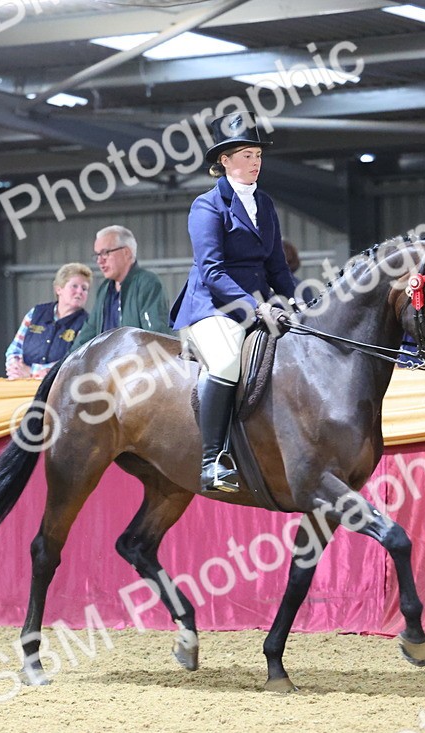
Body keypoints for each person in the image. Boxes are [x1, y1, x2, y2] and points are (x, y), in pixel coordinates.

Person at [170, 112, 298, 493]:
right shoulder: (207, 206)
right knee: (226, 361)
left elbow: (276, 263)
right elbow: (212, 271)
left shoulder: (266, 203)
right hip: (213, 304)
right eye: (245, 155)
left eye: (257, 154)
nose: (254, 162)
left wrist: (290, 301)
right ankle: (212, 462)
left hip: (260, 302)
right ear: (224, 161)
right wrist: (256, 308)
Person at [70, 225, 171, 350]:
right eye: (97, 255)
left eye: (105, 253)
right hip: (106, 366)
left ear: (126, 252)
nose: (99, 261)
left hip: (137, 366)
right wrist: (57, 369)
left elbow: (157, 335)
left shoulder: (147, 283)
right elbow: (86, 336)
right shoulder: (104, 289)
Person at [5, 262, 92, 379]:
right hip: (21, 385)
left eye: (84, 288)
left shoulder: (87, 324)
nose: (80, 292)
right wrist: (15, 366)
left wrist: (32, 372)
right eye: (74, 286)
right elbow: (15, 348)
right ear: (58, 289)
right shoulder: (35, 313)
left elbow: (74, 362)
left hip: (59, 391)